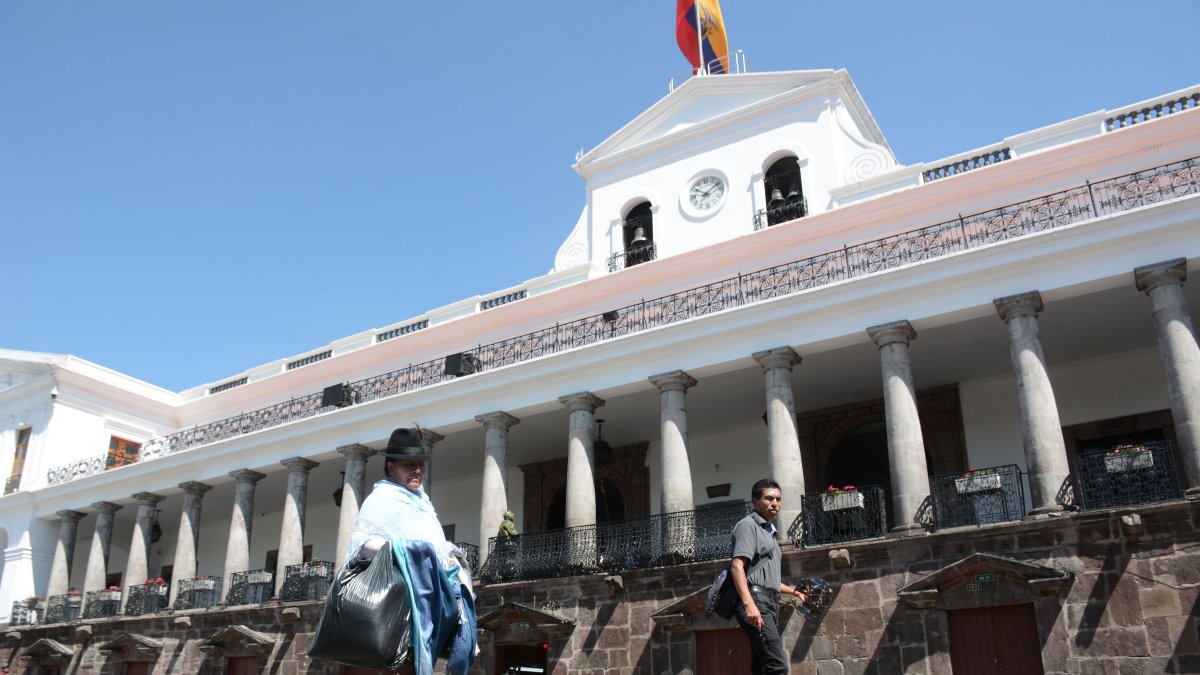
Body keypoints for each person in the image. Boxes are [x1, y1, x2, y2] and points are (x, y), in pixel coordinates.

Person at [347, 427, 476, 675]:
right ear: (391, 467)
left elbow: (433, 544)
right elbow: (362, 546)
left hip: (424, 601)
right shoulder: (381, 499)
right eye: (409, 465)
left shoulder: (421, 502)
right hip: (394, 603)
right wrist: (408, 552)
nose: (417, 470)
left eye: (420, 465)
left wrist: (449, 554)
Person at [729, 478, 807, 675]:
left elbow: (768, 580)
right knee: (777, 665)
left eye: (779, 499)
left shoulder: (769, 534)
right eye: (769, 498)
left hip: (769, 601)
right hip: (757, 602)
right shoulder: (748, 526)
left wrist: (794, 591)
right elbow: (737, 566)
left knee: (763, 666)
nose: (775, 503)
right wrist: (749, 604)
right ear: (754, 502)